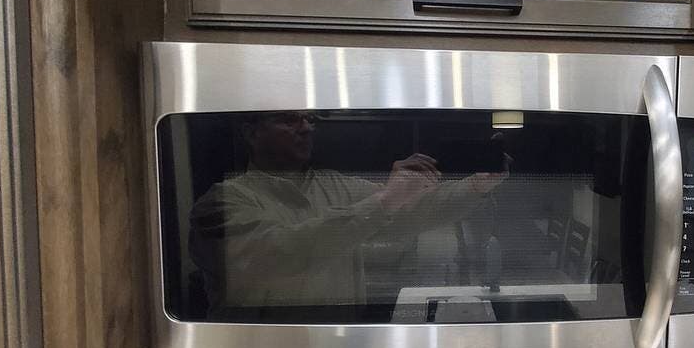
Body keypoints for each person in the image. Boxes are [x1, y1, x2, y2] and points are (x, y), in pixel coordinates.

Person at [188, 111, 507, 313]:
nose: (306, 128)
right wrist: (385, 201)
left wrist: (476, 186)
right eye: (289, 120)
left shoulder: (333, 185)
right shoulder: (220, 203)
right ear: (250, 133)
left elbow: (415, 211)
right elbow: (282, 251)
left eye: (309, 119)